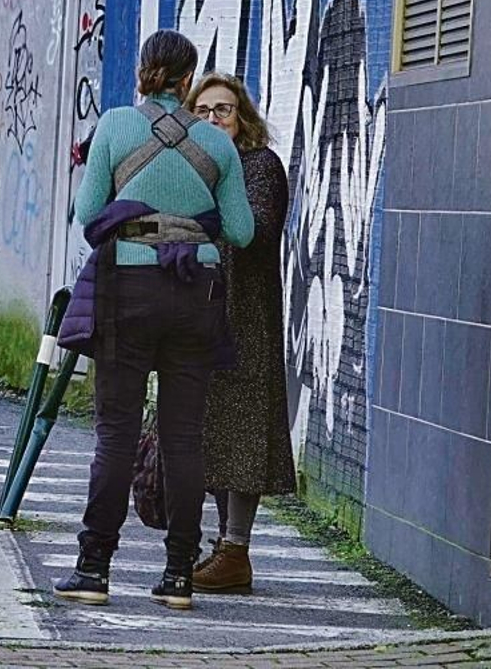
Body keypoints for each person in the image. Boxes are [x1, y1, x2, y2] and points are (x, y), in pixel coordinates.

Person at [53, 30, 255, 612]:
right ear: (189, 81)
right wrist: (193, 217)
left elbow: (88, 213)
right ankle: (178, 579)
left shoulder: (115, 126)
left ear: (143, 71)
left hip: (128, 291)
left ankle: (93, 569)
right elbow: (240, 232)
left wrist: (138, 206)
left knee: (115, 434)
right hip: (196, 294)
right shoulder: (217, 146)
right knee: (183, 438)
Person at [185, 72, 295, 593]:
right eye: (202, 111)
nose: (212, 119)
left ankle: (236, 549)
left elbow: (257, 229)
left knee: (244, 429)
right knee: (209, 428)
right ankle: (221, 549)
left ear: (241, 117)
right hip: (200, 315)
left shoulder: (259, 166)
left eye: (222, 110)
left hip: (246, 316)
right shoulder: (194, 168)